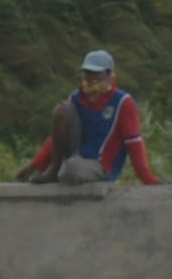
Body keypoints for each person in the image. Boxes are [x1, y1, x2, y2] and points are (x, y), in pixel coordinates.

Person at [21, 50, 160, 185]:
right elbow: (57, 137)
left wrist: (148, 178)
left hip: (100, 164)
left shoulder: (123, 102)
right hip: (75, 157)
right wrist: (35, 165)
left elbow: (134, 143)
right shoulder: (76, 98)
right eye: (87, 73)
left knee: (71, 169)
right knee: (61, 111)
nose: (90, 79)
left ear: (108, 75)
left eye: (96, 74)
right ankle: (54, 170)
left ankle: (62, 171)